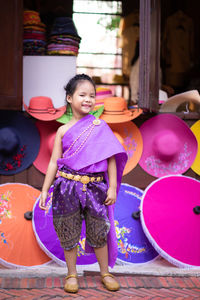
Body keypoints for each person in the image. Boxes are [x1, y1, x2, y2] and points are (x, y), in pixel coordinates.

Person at [39, 74, 127, 293]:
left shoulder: (101, 127)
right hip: (66, 187)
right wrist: (44, 190)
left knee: (99, 230)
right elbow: (53, 162)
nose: (88, 100)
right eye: (82, 95)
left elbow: (111, 159)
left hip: (96, 188)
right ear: (69, 98)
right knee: (68, 230)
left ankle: (105, 272)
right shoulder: (62, 130)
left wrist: (113, 186)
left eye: (92, 96)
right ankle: (71, 274)